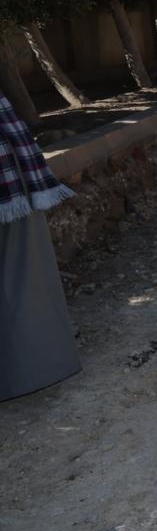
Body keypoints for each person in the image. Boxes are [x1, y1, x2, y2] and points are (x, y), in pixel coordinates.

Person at [1, 90, 81, 401]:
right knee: (25, 276)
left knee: (21, 276)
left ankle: (28, 371)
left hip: (10, 183)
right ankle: (41, 365)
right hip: (13, 179)